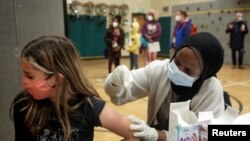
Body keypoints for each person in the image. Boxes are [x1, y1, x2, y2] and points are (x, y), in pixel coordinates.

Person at [9, 35, 139, 141]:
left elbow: (134, 135)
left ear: (57, 79)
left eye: (30, 77)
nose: (24, 82)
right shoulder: (23, 104)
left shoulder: (88, 106)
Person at [104, 32, 225, 141]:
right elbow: (119, 95)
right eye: (177, 62)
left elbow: (202, 136)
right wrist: (115, 81)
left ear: (205, 74)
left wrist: (159, 135)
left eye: (188, 71)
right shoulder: (160, 69)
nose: (178, 70)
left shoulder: (211, 90)